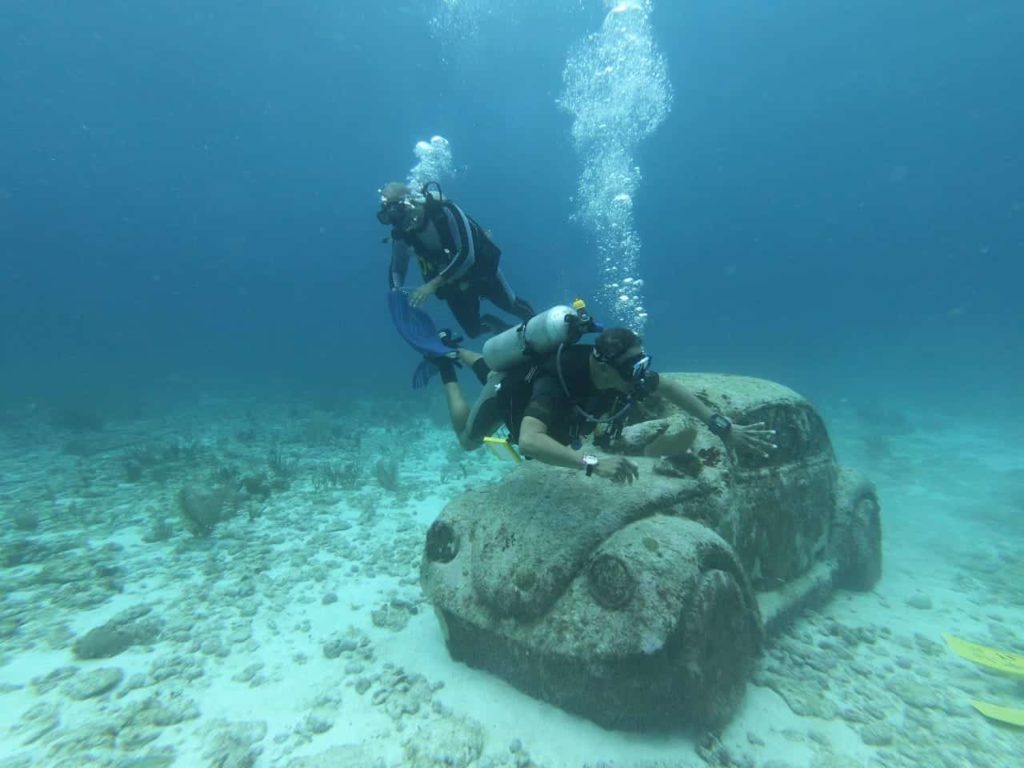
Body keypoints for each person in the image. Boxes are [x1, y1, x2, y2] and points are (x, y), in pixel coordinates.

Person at [434, 326, 777, 482]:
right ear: (601, 365)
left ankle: (454, 347)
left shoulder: (623, 375)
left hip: (528, 385)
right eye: (632, 368)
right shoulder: (556, 382)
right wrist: (592, 463)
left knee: (485, 366)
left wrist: (721, 426)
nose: (640, 376)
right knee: (467, 440)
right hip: (507, 393)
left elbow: (670, 387)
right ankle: (446, 366)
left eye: (642, 364)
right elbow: (530, 440)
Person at [377, 181, 536, 338]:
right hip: (451, 283)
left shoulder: (445, 210)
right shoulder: (401, 234)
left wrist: (432, 285)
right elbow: (397, 268)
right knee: (472, 331)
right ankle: (502, 329)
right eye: (390, 217)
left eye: (398, 212)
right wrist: (396, 294)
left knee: (511, 304)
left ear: (409, 202)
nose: (398, 222)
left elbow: (467, 253)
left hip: (479, 269)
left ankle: (537, 327)